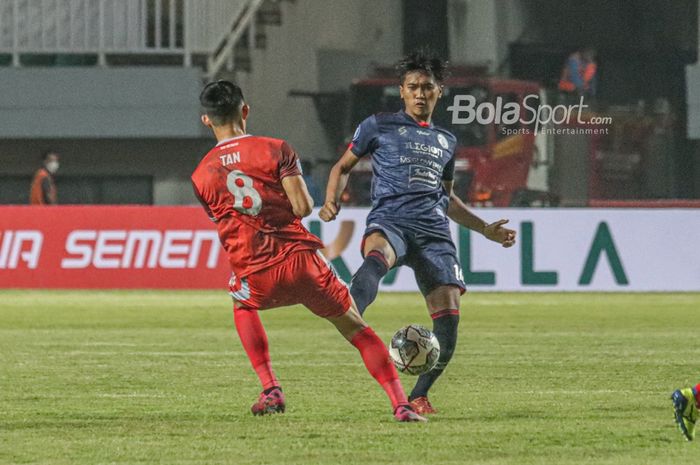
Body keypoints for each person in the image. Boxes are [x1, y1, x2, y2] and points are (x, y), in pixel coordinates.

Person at [190, 80, 425, 422]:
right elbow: (302, 207)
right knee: (356, 329)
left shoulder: (200, 175)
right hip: (302, 263)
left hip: (255, 273)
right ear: (245, 110)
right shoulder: (275, 149)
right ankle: (401, 404)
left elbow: (224, 218)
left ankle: (270, 387)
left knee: (241, 303)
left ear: (207, 121)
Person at [320, 51, 516, 415]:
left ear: (439, 92)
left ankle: (420, 394)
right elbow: (342, 166)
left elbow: (449, 198)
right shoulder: (378, 125)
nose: (420, 93)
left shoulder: (446, 140)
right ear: (402, 91)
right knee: (377, 256)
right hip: (392, 219)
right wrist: (331, 200)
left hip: (434, 233)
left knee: (450, 318)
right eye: (413, 87)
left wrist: (486, 228)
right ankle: (350, 318)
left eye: (427, 87)